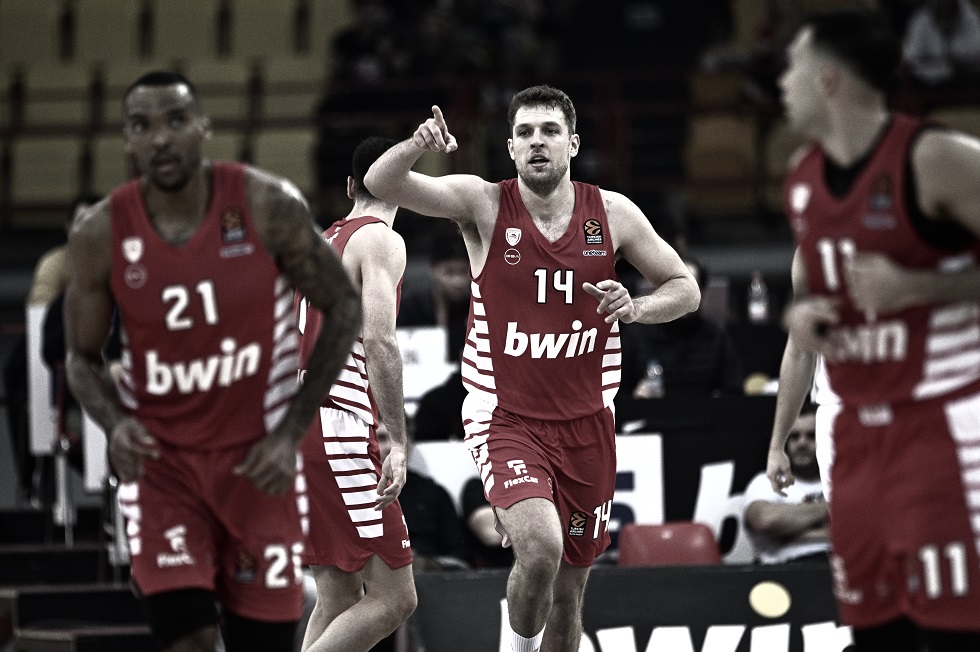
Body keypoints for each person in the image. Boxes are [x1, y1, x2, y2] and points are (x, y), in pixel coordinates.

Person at [364, 85, 700, 652]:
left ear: (573, 144)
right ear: (511, 148)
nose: (537, 142)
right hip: (506, 418)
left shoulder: (612, 213)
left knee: (569, 594)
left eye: (549, 131)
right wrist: (416, 144)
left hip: (588, 424)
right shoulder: (483, 203)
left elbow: (685, 288)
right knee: (541, 550)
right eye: (524, 133)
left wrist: (637, 308)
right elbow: (382, 183)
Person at [63, 71, 361, 652]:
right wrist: (115, 425)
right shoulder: (99, 232)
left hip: (258, 465)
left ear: (203, 127)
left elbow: (344, 305)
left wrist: (291, 431)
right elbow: (80, 357)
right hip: (165, 470)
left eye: (176, 121)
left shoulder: (266, 205)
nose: (161, 139)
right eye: (142, 126)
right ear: (126, 139)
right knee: (189, 640)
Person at [774, 10, 980, 650]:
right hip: (854, 436)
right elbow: (816, 300)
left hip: (941, 428)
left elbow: (907, 287)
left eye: (794, 64)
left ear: (829, 78)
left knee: (952, 630)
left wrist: (920, 287)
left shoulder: (937, 158)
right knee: (875, 634)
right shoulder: (803, 180)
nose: (781, 81)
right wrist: (802, 317)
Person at [296, 136, 417, 652]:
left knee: (340, 595)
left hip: (300, 421)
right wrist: (398, 440)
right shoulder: (380, 240)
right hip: (336, 424)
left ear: (350, 187)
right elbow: (380, 341)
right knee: (395, 597)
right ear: (402, 187)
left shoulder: (324, 239)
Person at [622, 256, 744, 398]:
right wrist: (636, 398)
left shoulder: (717, 336)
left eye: (689, 289)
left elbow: (734, 392)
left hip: (703, 411)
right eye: (675, 288)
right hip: (651, 411)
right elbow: (615, 394)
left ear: (703, 294)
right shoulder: (636, 334)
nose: (682, 296)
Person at [377, 424, 470, 571]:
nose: (390, 447)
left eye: (399, 439)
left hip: (428, 574)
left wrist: (424, 562)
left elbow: (460, 557)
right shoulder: (351, 493)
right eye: (381, 438)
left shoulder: (434, 493)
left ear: (410, 444)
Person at [744, 406, 831, 564]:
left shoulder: (843, 480)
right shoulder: (767, 481)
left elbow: (866, 529)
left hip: (843, 566)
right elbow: (765, 520)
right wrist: (833, 507)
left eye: (812, 436)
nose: (802, 443)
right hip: (788, 569)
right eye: (794, 437)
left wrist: (790, 533)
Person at [397, 225, 470, 362]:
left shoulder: (472, 307)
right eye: (449, 272)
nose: (458, 281)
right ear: (433, 269)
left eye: (463, 272)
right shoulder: (409, 304)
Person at [902, 0, 980, 88]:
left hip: (964, 79)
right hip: (928, 81)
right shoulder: (920, 20)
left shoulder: (970, 18)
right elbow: (911, 57)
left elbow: (975, 53)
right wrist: (939, 63)